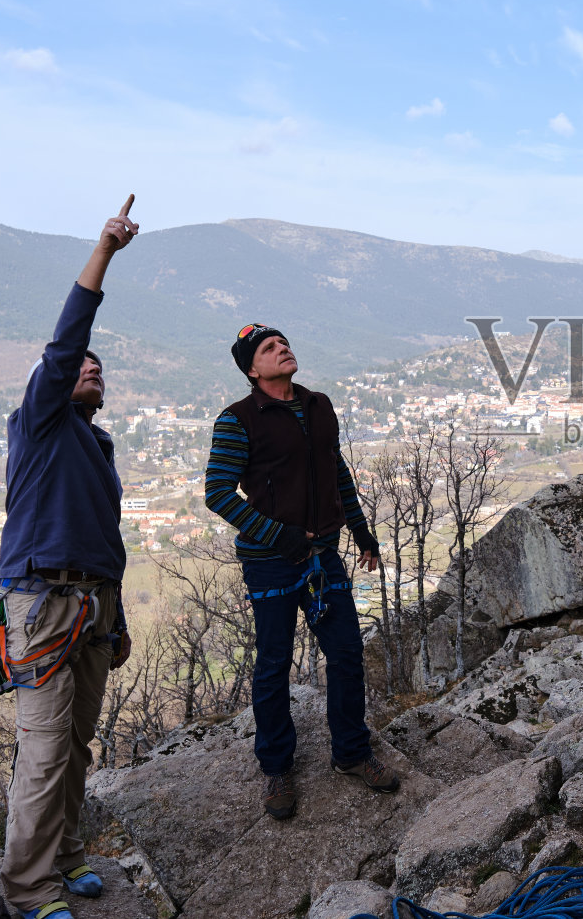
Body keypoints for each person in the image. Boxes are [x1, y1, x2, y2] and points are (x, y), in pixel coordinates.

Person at [0, 199, 139, 919]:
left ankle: (68, 853)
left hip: (92, 603)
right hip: (46, 600)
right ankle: (28, 889)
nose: (91, 366)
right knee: (46, 749)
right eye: (80, 365)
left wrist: (117, 616)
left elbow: (103, 538)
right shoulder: (42, 422)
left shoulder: (98, 446)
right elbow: (66, 338)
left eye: (99, 367)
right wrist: (104, 251)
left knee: (78, 744)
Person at [203, 324, 398, 820]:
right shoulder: (237, 421)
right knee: (273, 664)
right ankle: (277, 769)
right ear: (252, 369)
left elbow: (336, 472)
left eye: (282, 343)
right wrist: (277, 534)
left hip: (324, 555)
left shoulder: (318, 405)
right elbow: (218, 493)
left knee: (348, 652)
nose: (281, 349)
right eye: (268, 348)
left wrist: (362, 533)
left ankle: (351, 753)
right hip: (270, 563)